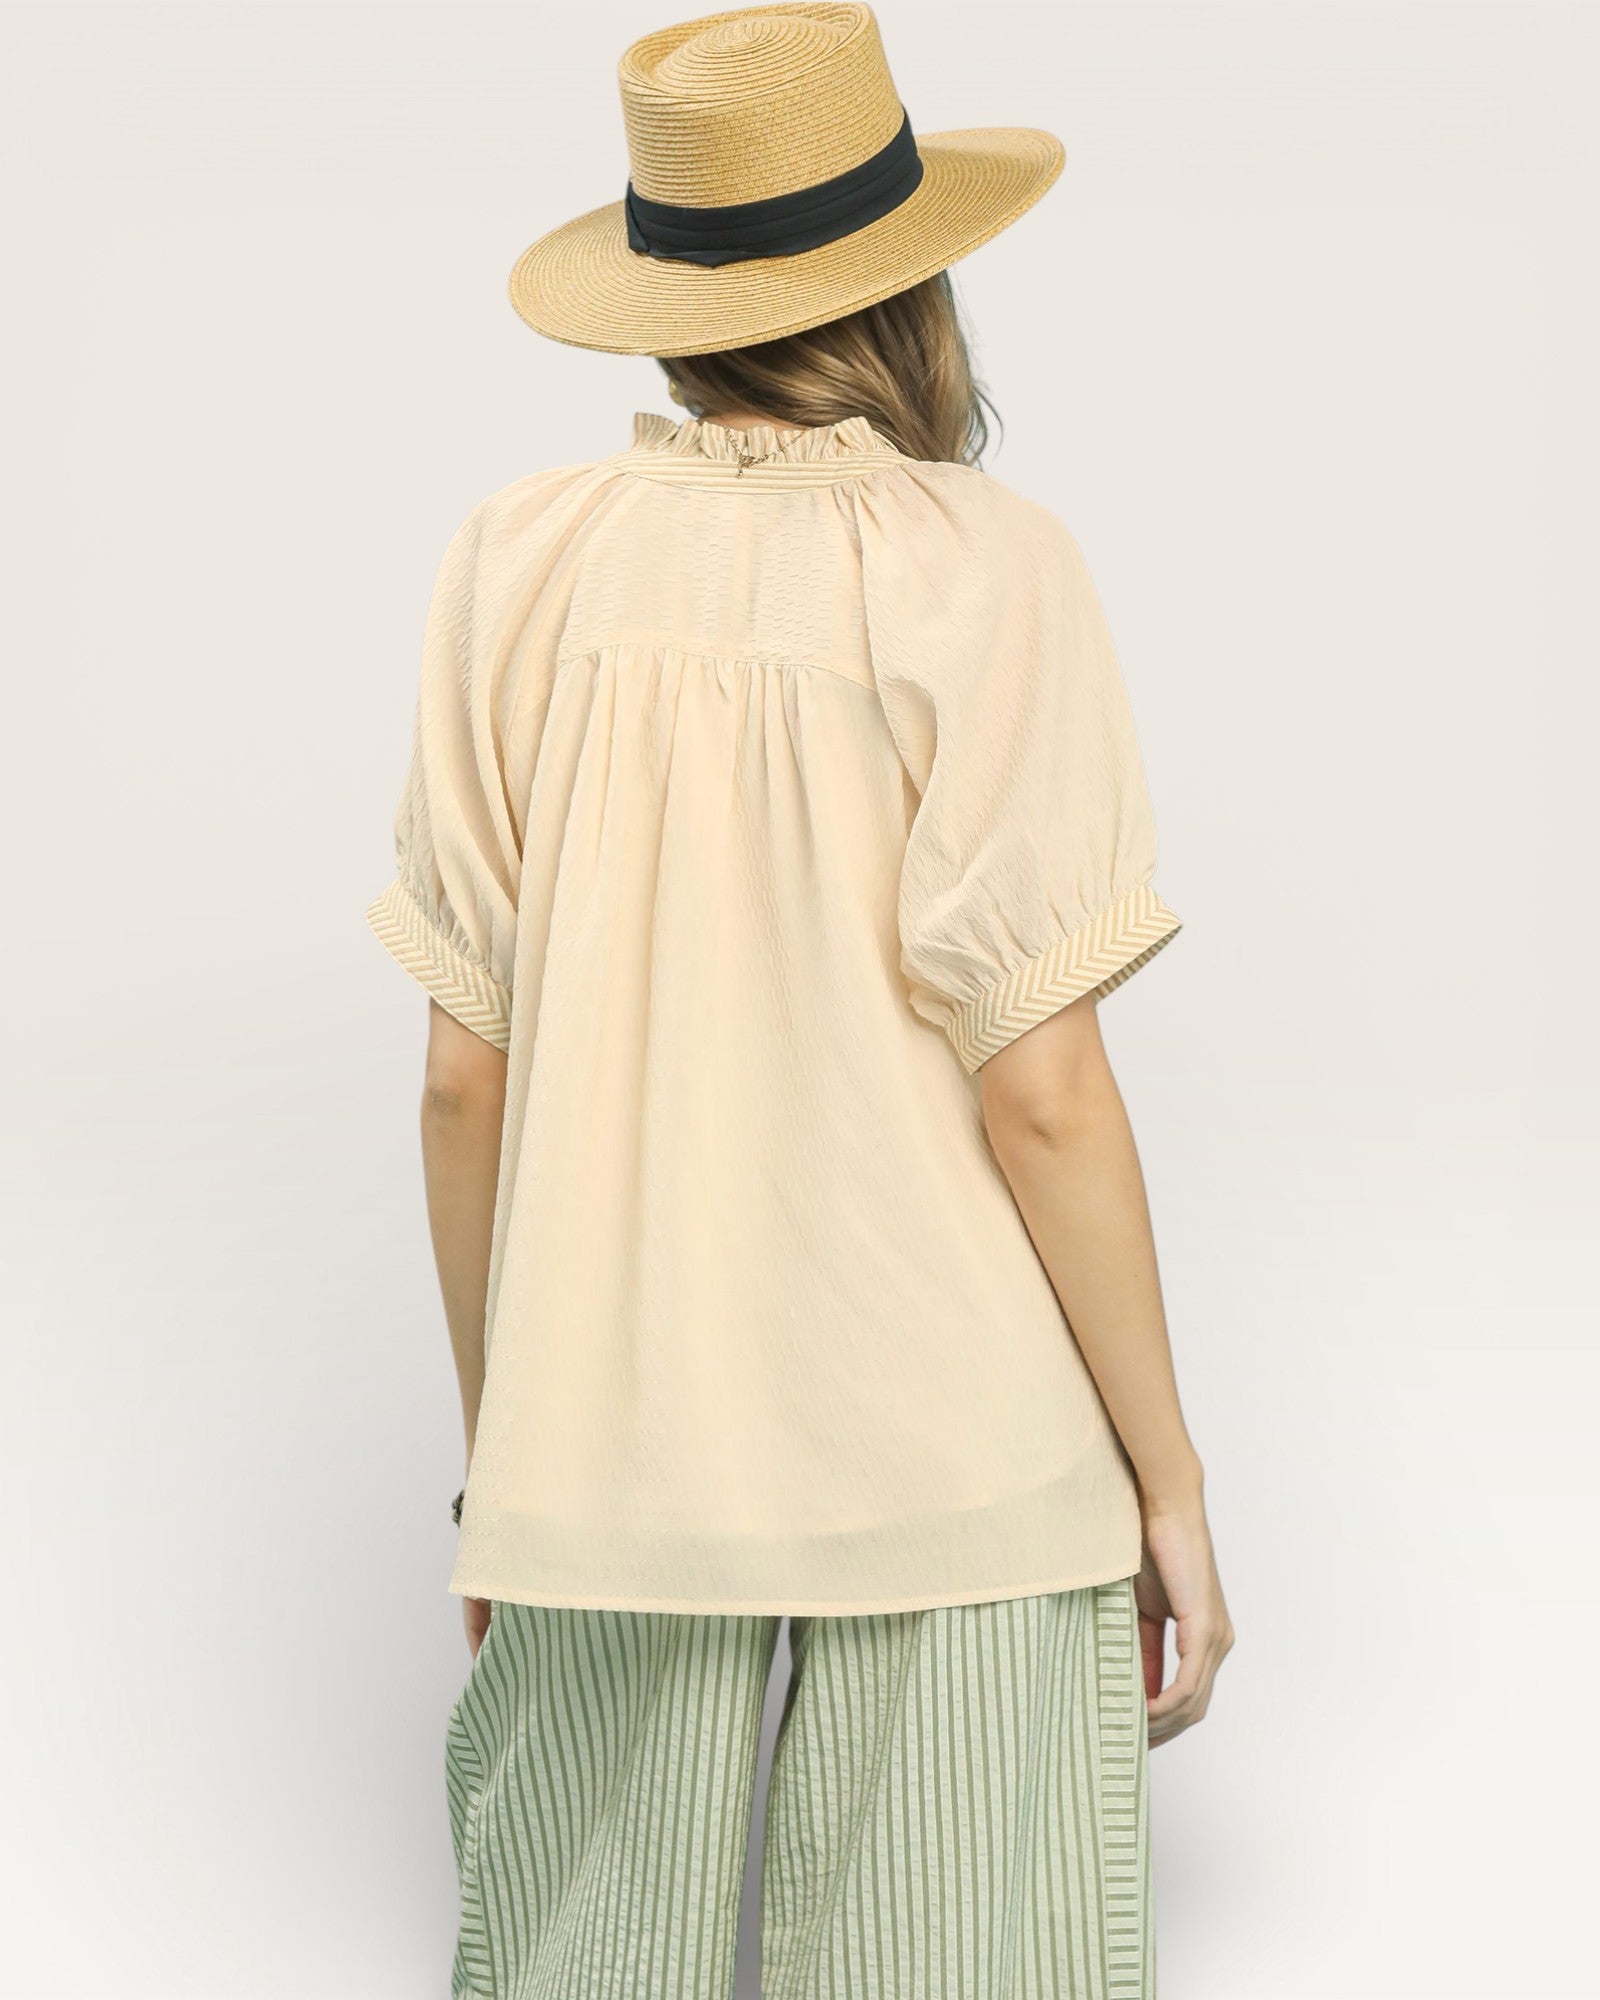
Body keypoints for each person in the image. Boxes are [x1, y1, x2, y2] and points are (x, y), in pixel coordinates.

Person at [365, 5, 1232, 1995]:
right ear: (913, 280)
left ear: (664, 288)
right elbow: (1045, 1090)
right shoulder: (986, 566)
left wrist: (509, 1468)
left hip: (600, 1445)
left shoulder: (514, 563)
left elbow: (456, 1079)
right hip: (964, 1449)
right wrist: (1165, 1484)